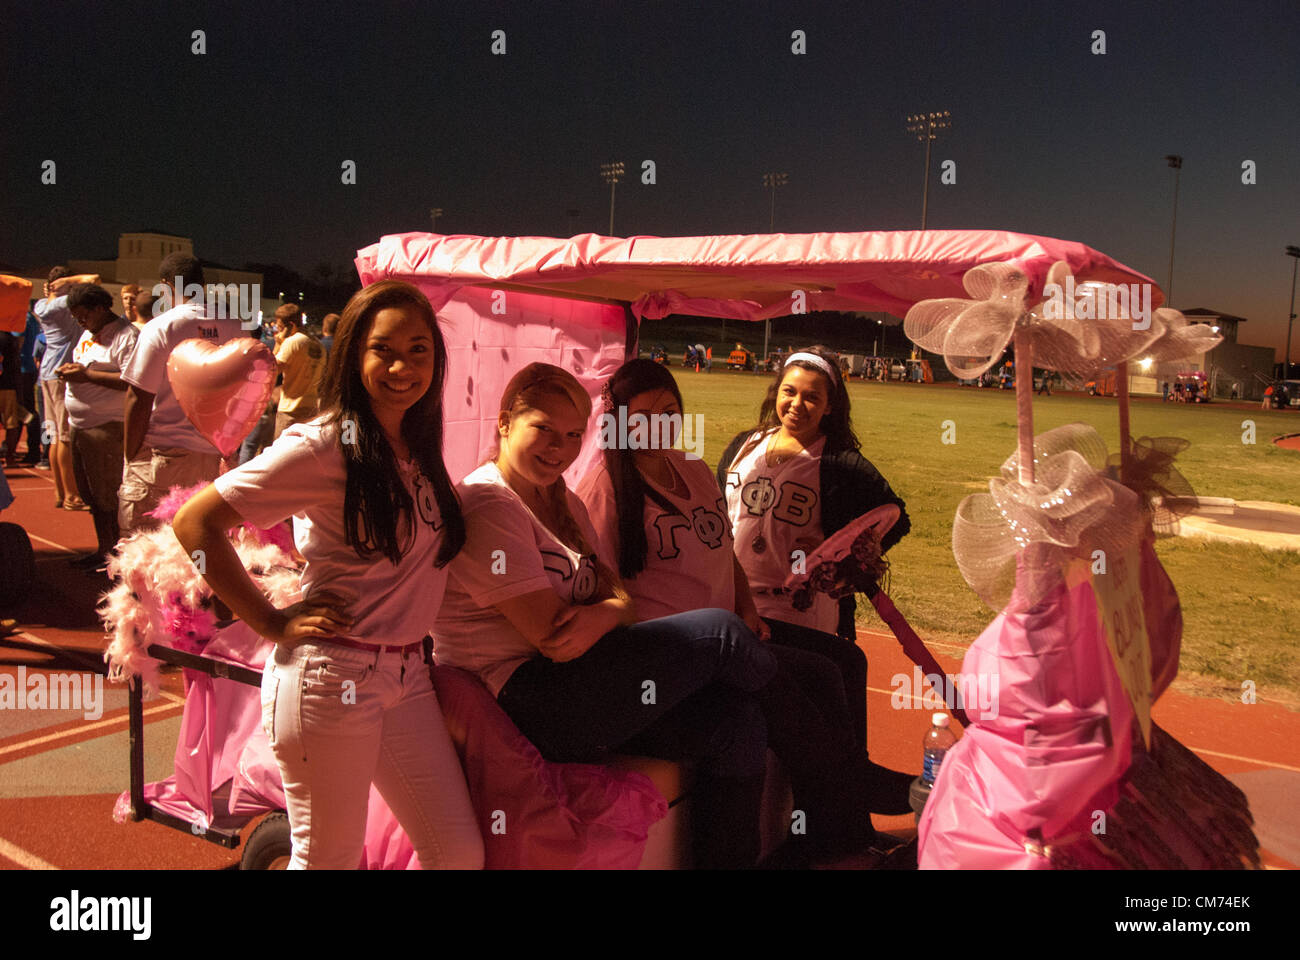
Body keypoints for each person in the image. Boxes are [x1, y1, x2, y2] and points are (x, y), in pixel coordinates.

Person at [172, 280, 483, 870]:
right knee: (327, 859)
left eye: (419, 350)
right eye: (383, 349)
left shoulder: (415, 445)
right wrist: (268, 620)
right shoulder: (322, 446)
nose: (403, 366)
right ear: (352, 354)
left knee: (458, 853)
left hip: (407, 676)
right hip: (330, 677)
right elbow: (195, 524)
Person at [432, 362, 780, 868]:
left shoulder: (561, 501)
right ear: (505, 423)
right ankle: (839, 773)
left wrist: (607, 612)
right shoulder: (488, 503)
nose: (560, 447)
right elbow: (554, 636)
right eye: (543, 430)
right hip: (526, 698)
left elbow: (616, 597)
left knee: (738, 723)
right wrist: (609, 611)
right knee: (721, 634)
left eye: (574, 434)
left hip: (577, 680)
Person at [576, 358, 916, 856]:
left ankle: (834, 829)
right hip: (675, 657)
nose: (660, 424)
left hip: (732, 635)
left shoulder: (689, 467)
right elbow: (601, 593)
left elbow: (724, 547)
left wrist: (746, 611)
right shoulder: (605, 491)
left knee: (828, 669)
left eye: (670, 410)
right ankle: (855, 789)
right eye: (644, 415)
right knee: (772, 702)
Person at [718, 346, 910, 755]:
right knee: (763, 723)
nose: (797, 404)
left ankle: (833, 793)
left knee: (802, 729)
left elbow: (894, 517)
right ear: (776, 392)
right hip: (736, 603)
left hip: (799, 612)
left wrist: (840, 555)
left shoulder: (840, 462)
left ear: (829, 406)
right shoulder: (743, 444)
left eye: (812, 397)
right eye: (790, 392)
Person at [119, 254, 247, 532]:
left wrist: (131, 455)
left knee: (152, 549)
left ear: (166, 286)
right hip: (217, 455)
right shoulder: (235, 326)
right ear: (202, 283)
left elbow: (138, 396)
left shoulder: (162, 327)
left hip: (167, 453)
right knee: (205, 543)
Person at [56, 284, 138, 566]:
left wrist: (87, 376)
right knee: (90, 494)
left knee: (108, 496)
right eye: (76, 318)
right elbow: (85, 366)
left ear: (101, 309)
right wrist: (71, 372)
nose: (80, 322)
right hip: (80, 424)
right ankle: (103, 550)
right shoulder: (88, 334)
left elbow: (132, 382)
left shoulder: (126, 336)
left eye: (83, 316)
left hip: (108, 427)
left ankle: (117, 557)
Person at [33, 267, 86, 509]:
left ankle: (59, 491)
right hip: (61, 374)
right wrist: (70, 281)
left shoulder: (41, 305)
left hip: (46, 372)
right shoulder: (61, 305)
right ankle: (72, 495)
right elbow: (92, 280)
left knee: (55, 437)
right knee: (64, 437)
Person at [272, 304, 325, 439]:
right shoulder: (318, 345)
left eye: (279, 327)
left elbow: (271, 370)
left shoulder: (292, 342)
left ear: (290, 325)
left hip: (290, 410)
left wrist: (278, 344)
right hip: (311, 409)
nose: (278, 331)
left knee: (281, 455)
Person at [0, 326, 32, 467]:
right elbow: (15, 364)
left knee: (11, 423)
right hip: (8, 385)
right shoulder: (10, 338)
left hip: (7, 383)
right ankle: (10, 458)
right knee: (11, 423)